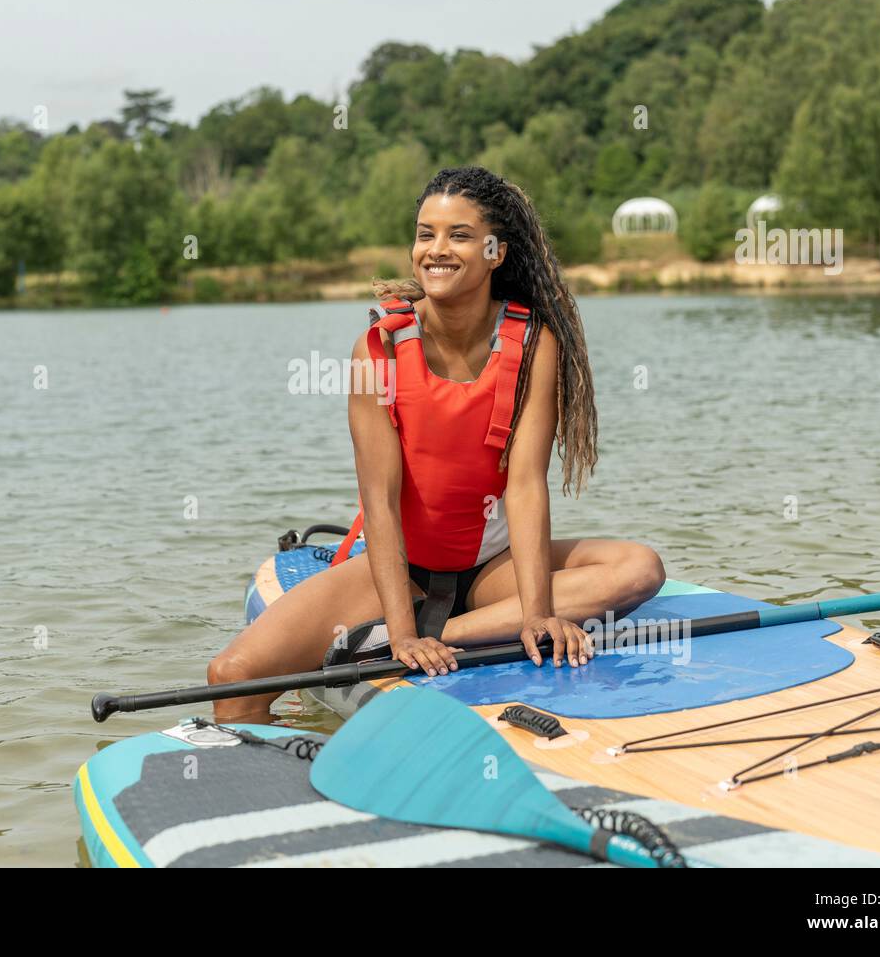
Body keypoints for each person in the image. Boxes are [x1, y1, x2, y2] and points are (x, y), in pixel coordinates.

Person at [209, 166, 665, 722]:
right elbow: (378, 501)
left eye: (459, 235)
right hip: (403, 570)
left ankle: (450, 632)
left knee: (640, 568)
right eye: (426, 234)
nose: (437, 250)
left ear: (496, 251)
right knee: (231, 677)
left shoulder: (533, 345)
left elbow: (524, 486)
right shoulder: (375, 350)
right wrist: (402, 635)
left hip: (493, 568)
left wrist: (537, 614)